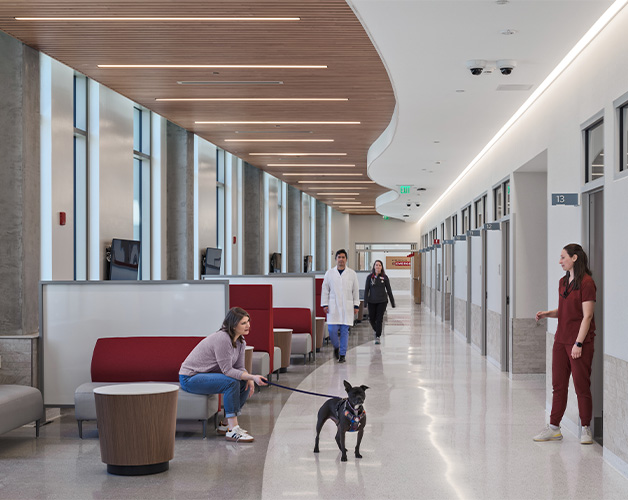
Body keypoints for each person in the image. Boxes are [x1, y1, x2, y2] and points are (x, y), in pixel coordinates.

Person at [533, 243, 596, 445]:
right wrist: (547, 313)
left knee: (581, 386)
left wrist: (578, 343)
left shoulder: (587, 283)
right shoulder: (563, 282)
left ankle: (586, 428)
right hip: (560, 341)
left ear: (574, 258)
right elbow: (565, 311)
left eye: (563, 257)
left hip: (579, 343)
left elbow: (587, 316)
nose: (560, 261)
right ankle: (554, 428)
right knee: (558, 386)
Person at [179, 307, 268, 443]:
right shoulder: (222, 338)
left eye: (248, 321)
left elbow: (239, 368)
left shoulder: (240, 341)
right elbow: (227, 371)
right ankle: (233, 430)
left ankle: (226, 425)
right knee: (231, 382)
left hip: (204, 376)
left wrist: (249, 378)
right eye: (243, 323)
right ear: (233, 326)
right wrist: (252, 377)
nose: (248, 325)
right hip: (190, 378)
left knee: (243, 381)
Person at [321, 249, 360, 363]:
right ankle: (336, 347)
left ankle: (342, 354)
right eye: (339, 257)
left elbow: (355, 290)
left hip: (347, 307)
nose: (341, 259)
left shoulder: (352, 273)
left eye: (343, 257)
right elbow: (325, 290)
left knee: (344, 331)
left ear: (346, 259)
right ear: (336, 259)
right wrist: (325, 304)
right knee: (331, 330)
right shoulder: (329, 273)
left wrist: (356, 305)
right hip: (333, 306)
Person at [364, 259, 395, 344]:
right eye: (376, 265)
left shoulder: (384, 277)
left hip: (382, 301)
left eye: (379, 265)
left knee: (379, 318)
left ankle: (378, 336)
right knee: (372, 318)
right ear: (374, 267)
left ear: (382, 267)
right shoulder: (369, 277)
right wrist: (365, 302)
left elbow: (389, 290)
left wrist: (392, 302)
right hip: (371, 301)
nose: (378, 266)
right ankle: (377, 329)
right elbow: (366, 290)